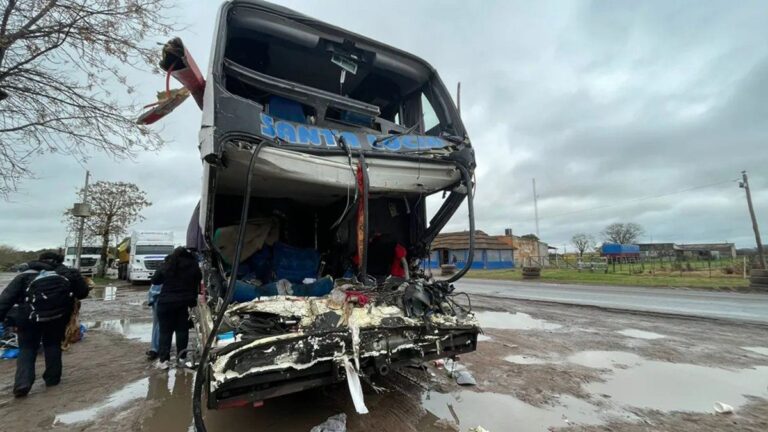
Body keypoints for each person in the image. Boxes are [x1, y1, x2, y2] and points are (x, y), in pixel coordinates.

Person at [0, 252, 89, 397]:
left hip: (28, 319)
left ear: (40, 260)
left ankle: (23, 383)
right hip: (58, 318)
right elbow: (83, 293)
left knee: (27, 349)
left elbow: (5, 300)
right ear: (60, 261)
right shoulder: (67, 274)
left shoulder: (25, 275)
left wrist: (4, 320)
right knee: (53, 345)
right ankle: (52, 380)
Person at [151, 247, 201, 369]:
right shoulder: (193, 265)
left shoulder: (169, 264)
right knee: (182, 331)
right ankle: (181, 359)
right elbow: (198, 281)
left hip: (165, 303)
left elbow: (155, 280)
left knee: (165, 332)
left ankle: (164, 361)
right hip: (184, 303)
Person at [146, 256, 169, 361]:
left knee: (157, 325)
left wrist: (150, 300)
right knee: (160, 326)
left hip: (157, 301)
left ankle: (155, 348)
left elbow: (153, 288)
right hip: (163, 301)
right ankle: (157, 348)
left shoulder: (161, 271)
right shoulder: (172, 272)